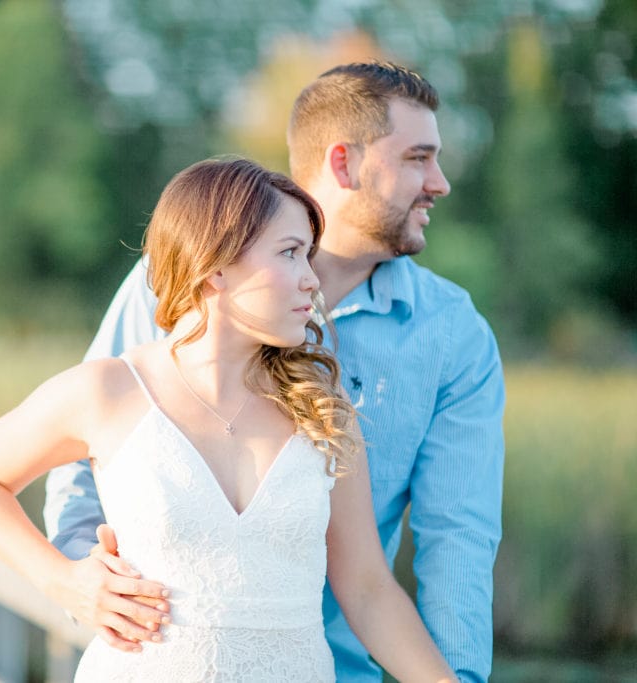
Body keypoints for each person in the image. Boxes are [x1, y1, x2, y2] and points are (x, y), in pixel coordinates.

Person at [44, 62, 505, 682]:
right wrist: (78, 581)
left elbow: (458, 543)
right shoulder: (182, 280)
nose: (440, 183)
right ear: (344, 164)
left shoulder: (454, 336)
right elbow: (79, 461)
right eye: (419, 157)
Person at [0, 157, 456, 681]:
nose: (312, 281)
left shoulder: (322, 406)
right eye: (291, 254)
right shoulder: (109, 390)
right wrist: (61, 580)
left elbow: (368, 590)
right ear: (216, 265)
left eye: (309, 256)